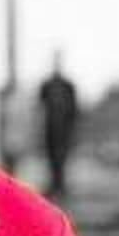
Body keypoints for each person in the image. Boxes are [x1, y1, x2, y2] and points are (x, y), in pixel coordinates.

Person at [36, 56, 79, 201]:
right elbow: (40, 107)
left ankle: (60, 185)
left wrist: (72, 128)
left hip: (64, 130)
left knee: (61, 157)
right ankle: (55, 185)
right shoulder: (47, 85)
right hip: (50, 129)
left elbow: (74, 109)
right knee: (51, 158)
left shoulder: (68, 85)